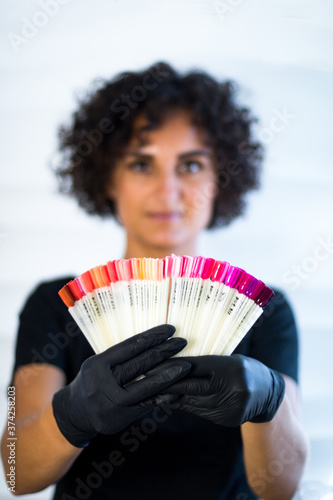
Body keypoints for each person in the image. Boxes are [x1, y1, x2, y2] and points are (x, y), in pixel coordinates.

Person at [1, 61, 308, 500]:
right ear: (108, 177)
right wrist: (73, 414)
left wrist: (268, 400)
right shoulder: (54, 305)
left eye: (191, 165)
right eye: (142, 165)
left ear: (220, 179)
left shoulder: (264, 310)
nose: (168, 191)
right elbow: (17, 471)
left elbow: (279, 489)